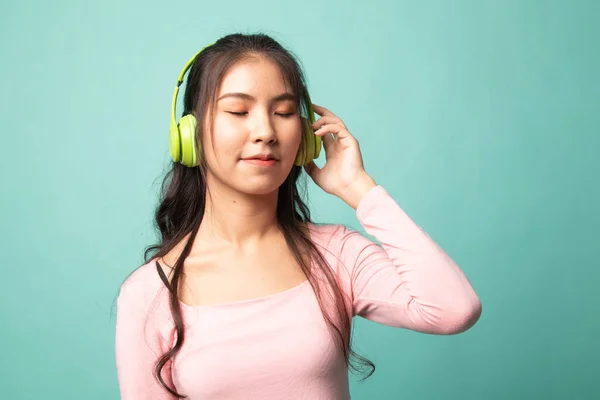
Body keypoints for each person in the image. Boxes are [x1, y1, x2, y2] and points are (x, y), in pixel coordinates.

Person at [115, 32, 482, 400]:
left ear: (305, 138)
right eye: (238, 111)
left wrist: (358, 188)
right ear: (189, 133)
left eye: (284, 112)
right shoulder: (149, 294)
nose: (265, 132)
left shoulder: (336, 255)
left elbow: (454, 308)